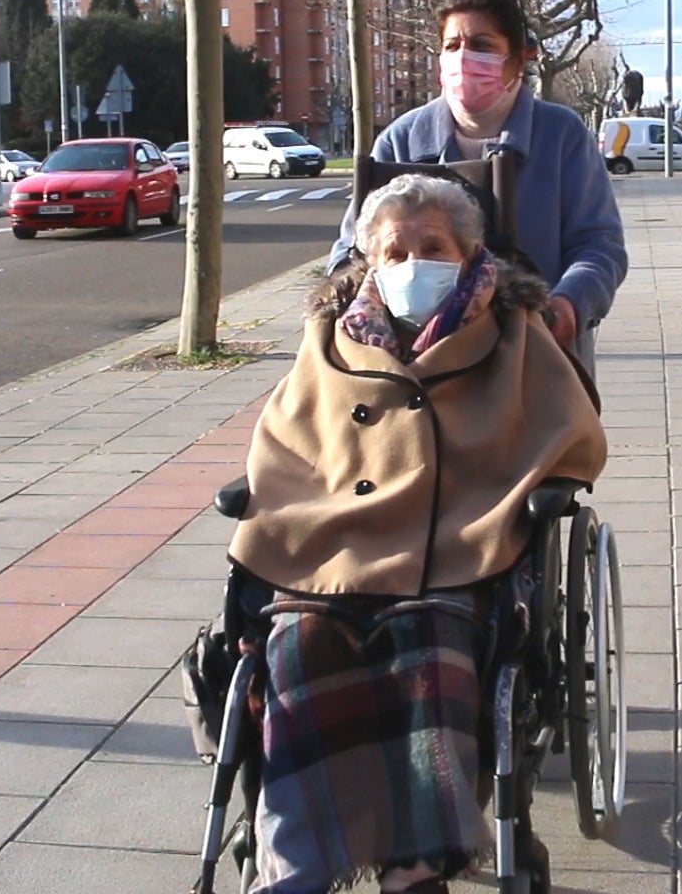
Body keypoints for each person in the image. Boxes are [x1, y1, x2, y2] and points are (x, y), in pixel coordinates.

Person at [227, 172, 608, 894]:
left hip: (457, 548)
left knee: (432, 649)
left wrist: (505, 488)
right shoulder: (332, 338)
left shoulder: (511, 331)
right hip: (334, 545)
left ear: (468, 254)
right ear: (370, 260)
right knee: (299, 648)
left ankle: (416, 867)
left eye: (431, 247)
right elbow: (285, 436)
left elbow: (574, 438)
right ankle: (298, 865)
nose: (410, 266)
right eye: (394, 252)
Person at [329, 0, 627, 373]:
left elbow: (599, 245)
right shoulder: (400, 140)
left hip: (537, 365)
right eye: (452, 46)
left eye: (483, 46)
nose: (464, 59)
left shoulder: (562, 136)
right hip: (420, 372)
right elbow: (352, 252)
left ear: (521, 58)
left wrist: (570, 304)